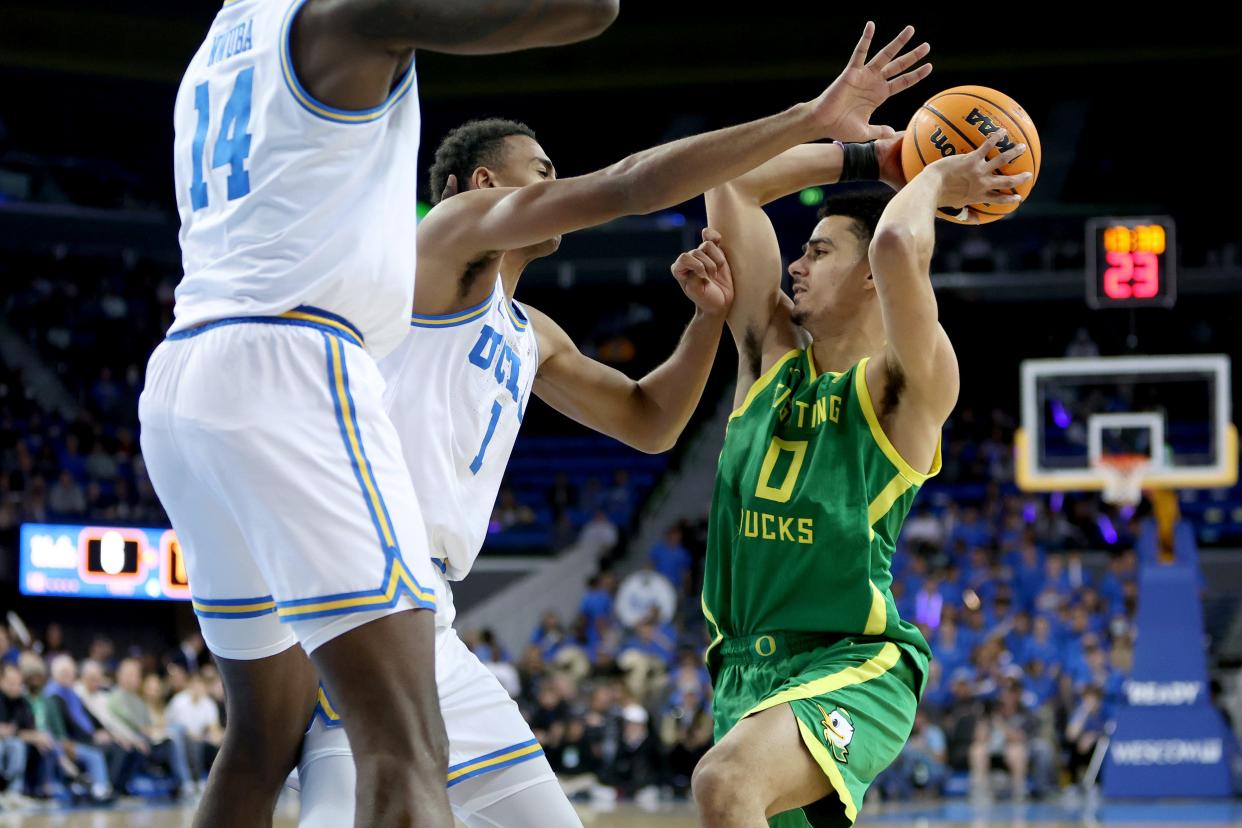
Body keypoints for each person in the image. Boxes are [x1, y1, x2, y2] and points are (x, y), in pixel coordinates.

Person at [297, 21, 933, 827]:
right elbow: (633, 182)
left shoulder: (531, 333)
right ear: (483, 184)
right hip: (359, 585)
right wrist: (836, 136)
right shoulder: (436, 247)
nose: (554, 181)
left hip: (431, 610)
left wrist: (706, 320)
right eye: (540, 171)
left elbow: (651, 423)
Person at [138, 2, 618, 826]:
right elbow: (582, 12)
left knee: (258, 740)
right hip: (292, 359)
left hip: (188, 369)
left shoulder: (216, 46)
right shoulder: (342, 18)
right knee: (403, 743)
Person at [690, 78, 1029, 825]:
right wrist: (867, 160)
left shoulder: (907, 389)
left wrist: (935, 173)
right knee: (733, 788)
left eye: (816, 251)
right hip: (744, 671)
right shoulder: (769, 361)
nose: (794, 266)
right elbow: (733, 183)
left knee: (723, 785)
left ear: (870, 279)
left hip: (854, 661)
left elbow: (898, 241)